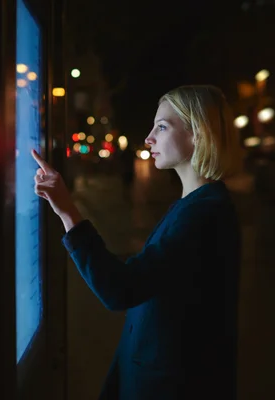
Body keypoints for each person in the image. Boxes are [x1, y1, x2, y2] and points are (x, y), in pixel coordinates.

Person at [31, 85, 243, 400]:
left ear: (198, 134)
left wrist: (68, 212)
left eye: (162, 126)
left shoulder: (203, 213)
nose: (148, 138)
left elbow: (121, 289)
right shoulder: (196, 205)